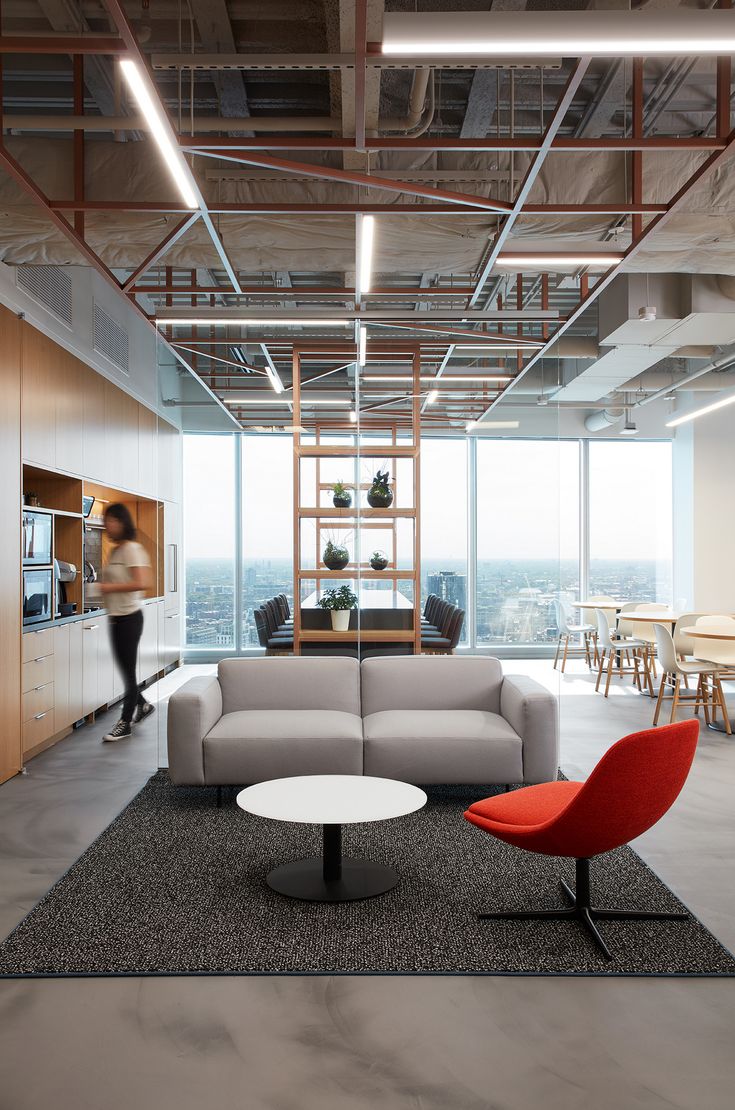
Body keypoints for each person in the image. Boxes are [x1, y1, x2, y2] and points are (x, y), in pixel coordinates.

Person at [97, 503, 155, 742]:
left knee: (128, 672)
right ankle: (143, 705)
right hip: (116, 618)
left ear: (121, 522)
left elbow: (143, 582)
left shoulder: (132, 549)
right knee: (125, 671)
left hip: (130, 618)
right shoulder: (115, 551)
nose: (106, 525)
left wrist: (108, 587)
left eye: (110, 520)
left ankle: (125, 722)